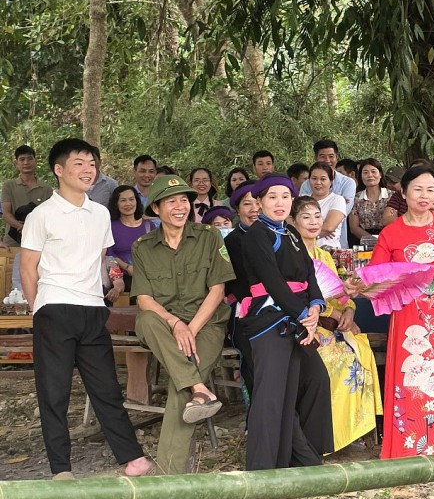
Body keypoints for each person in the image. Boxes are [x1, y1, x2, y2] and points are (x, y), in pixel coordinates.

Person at [20, 138, 154, 479]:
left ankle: (133, 458)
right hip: (55, 308)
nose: (88, 169)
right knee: (54, 391)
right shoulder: (42, 215)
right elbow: (28, 269)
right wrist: (40, 310)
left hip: (93, 309)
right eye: (79, 163)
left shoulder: (99, 214)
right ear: (59, 170)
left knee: (106, 387)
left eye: (92, 163)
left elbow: (100, 259)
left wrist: (113, 280)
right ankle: (61, 469)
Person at [352, 166, 434, 458]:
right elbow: (377, 274)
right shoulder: (391, 232)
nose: (425, 195)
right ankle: (408, 446)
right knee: (412, 372)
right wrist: (360, 283)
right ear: (402, 192)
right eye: (418, 189)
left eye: (431, 189)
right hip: (407, 311)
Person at [131, 174, 235, 474]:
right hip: (163, 326)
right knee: (148, 319)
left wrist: (191, 327)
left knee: (181, 389)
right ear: (156, 209)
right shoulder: (143, 246)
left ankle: (168, 473)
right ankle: (200, 386)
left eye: (184, 201)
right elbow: (144, 299)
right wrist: (176, 323)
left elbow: (218, 290)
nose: (180, 207)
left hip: (208, 325)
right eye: (171, 201)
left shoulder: (209, 236)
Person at [240, 174, 332, 470]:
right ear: (260, 201)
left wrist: (316, 307)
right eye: (272, 197)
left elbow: (309, 276)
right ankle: (263, 469)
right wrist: (304, 316)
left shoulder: (291, 234)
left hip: (297, 317)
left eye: (285, 196)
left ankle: (304, 456)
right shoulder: (257, 234)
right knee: (271, 396)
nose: (279, 203)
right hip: (270, 318)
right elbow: (273, 281)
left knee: (314, 381)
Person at [291, 196, 383, 451]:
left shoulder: (324, 255)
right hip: (308, 324)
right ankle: (330, 432)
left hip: (332, 322)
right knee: (341, 361)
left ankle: (357, 428)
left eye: (317, 216)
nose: (312, 222)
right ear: (293, 221)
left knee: (362, 350)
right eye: (305, 217)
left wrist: (349, 312)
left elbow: (340, 293)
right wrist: (325, 315)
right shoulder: (291, 255)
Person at [223, 180, 259, 402]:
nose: (254, 209)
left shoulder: (279, 234)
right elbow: (240, 283)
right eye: (247, 204)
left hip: (280, 309)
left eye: (258, 202)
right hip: (246, 312)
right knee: (255, 360)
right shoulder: (232, 241)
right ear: (237, 209)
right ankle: (256, 417)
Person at [106, 185, 156, 293]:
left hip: (148, 279)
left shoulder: (148, 226)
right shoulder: (110, 227)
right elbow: (109, 254)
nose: (128, 204)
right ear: (116, 204)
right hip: (121, 281)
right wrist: (128, 268)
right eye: (123, 200)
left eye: (131, 199)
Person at [2, 145, 53, 246]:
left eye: (30, 159)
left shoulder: (46, 189)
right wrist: (22, 227)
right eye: (22, 159)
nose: (26, 162)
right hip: (13, 242)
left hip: (39, 242)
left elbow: (50, 216)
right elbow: (6, 214)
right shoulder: (8, 186)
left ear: (35, 161)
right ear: (16, 163)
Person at [299, 139, 357, 215]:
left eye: (331, 156)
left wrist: (314, 206)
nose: (327, 160)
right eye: (322, 156)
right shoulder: (306, 184)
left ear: (337, 157)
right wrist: (338, 203)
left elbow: (343, 212)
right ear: (316, 158)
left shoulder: (348, 183)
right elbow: (301, 212)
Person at [349, 158, 390, 244]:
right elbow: (354, 228)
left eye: (373, 171)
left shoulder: (392, 196)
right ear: (361, 176)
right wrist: (373, 241)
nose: (370, 175)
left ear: (380, 174)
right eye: (365, 172)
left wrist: (383, 241)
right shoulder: (355, 198)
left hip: (389, 239)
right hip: (363, 240)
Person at [308, 163, 347, 249]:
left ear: (331, 181)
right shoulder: (301, 199)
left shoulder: (337, 200)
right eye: (314, 178)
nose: (318, 183)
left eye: (323, 179)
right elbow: (290, 225)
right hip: (304, 252)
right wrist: (320, 232)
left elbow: (329, 227)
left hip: (329, 252)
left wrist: (303, 234)